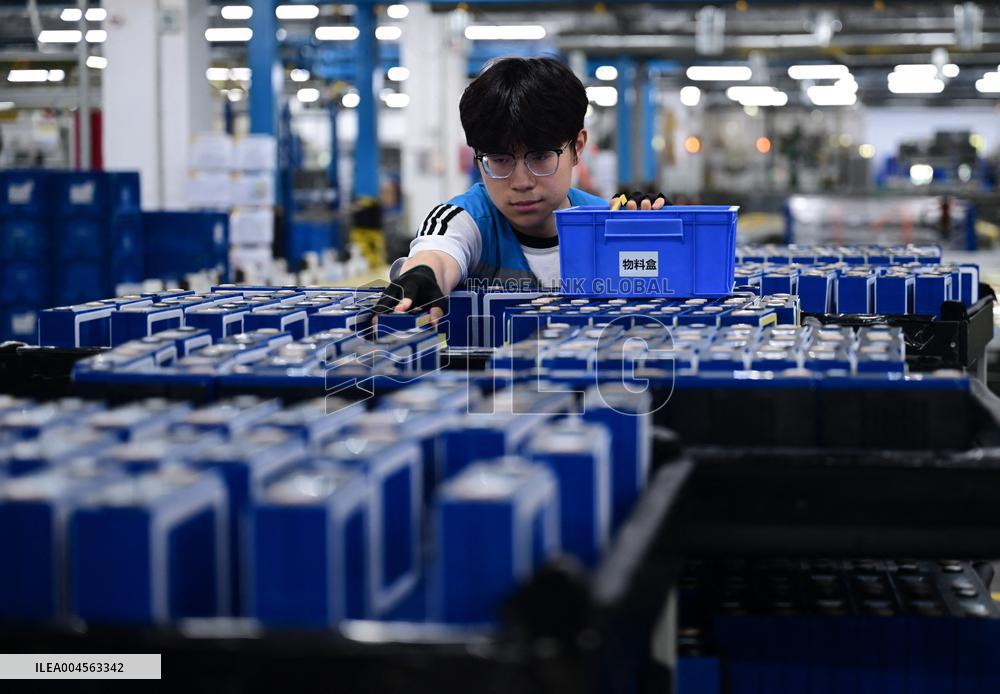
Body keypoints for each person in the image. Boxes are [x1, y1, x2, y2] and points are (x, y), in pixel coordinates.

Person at [375, 56, 666, 322]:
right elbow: (437, 252)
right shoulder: (464, 220)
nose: (522, 181)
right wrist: (422, 274)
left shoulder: (606, 224)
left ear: (577, 148)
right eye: (500, 160)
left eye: (540, 157)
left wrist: (653, 241)